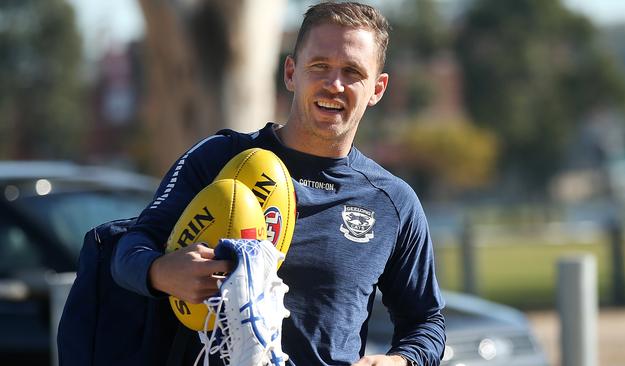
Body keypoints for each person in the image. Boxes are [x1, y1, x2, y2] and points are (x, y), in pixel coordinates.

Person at [112, 2, 446, 365]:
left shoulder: (392, 201)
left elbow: (426, 322)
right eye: (319, 66)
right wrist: (161, 272)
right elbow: (129, 250)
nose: (334, 84)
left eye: (352, 72)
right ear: (291, 72)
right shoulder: (218, 158)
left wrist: (401, 361)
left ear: (377, 88)